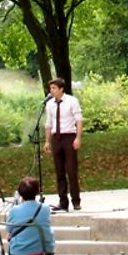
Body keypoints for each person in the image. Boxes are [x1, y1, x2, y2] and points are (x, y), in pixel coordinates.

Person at [6, 176, 55, 255]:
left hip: (19, 254)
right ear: (38, 192)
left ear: (20, 193)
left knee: (13, 251)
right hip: (42, 252)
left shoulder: (13, 211)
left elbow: (9, 232)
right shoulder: (45, 209)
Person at [42, 77, 84, 212]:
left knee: (71, 170)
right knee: (59, 171)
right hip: (56, 138)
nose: (51, 91)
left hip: (69, 136)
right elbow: (48, 123)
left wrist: (78, 138)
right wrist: (47, 141)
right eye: (50, 88)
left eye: (54, 88)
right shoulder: (50, 104)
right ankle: (63, 201)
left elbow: (78, 120)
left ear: (61, 89)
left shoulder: (72, 101)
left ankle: (76, 200)